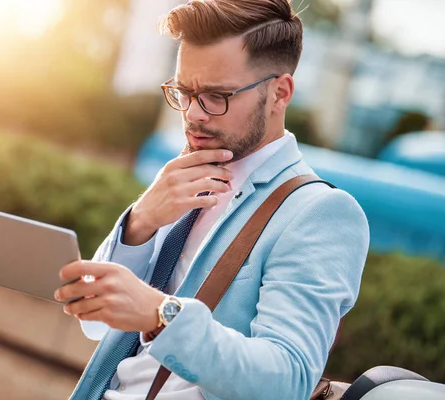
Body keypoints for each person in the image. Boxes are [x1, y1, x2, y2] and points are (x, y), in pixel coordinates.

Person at [54, 0, 370, 398]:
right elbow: (96, 325)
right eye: (184, 91)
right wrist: (139, 223)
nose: (194, 114)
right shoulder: (181, 175)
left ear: (279, 93)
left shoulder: (319, 214)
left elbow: (286, 381)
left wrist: (160, 315)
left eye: (217, 96)